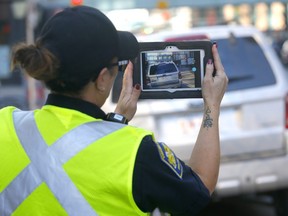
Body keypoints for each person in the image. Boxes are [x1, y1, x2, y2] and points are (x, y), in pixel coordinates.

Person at [0, 5, 228, 216]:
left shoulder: (5, 124)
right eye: (116, 66)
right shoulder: (136, 153)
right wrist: (212, 106)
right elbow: (200, 185)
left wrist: (115, 123)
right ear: (101, 79)